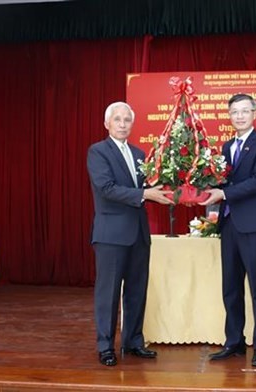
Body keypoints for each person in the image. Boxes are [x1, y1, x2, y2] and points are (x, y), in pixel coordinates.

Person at [87, 101, 173, 367]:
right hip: (111, 235)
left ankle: (133, 341)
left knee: (137, 290)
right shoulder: (98, 151)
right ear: (107, 124)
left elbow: (147, 186)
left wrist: (170, 190)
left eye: (127, 120)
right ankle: (105, 346)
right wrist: (145, 193)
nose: (123, 124)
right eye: (118, 120)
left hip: (138, 233)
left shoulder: (138, 154)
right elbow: (107, 188)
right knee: (108, 293)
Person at [200, 93, 256, 367]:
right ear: (229, 115)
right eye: (235, 112)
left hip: (254, 226)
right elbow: (221, 181)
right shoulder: (225, 146)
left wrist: (222, 193)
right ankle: (233, 342)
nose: (240, 116)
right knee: (231, 288)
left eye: (245, 111)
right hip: (229, 225)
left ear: (255, 113)